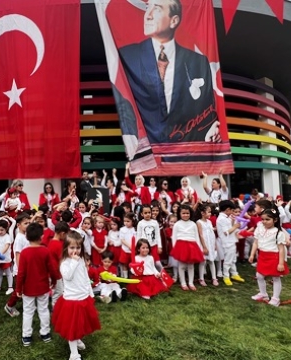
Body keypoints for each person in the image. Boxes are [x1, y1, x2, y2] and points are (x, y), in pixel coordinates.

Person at [117, 0, 220, 167]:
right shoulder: (127, 56)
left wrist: (212, 127)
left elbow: (208, 111)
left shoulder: (198, 62)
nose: (147, 15)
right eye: (147, 7)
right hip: (146, 153)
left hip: (186, 155)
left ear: (174, 20)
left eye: (156, 9)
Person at [52, 230, 102, 359]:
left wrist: (90, 293)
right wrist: (74, 261)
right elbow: (67, 276)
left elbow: (85, 277)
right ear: (66, 248)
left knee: (81, 323)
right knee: (72, 328)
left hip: (83, 297)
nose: (75, 250)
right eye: (72, 247)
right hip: (71, 300)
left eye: (78, 247)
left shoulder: (81, 260)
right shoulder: (65, 263)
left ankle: (78, 339)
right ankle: (74, 354)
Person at [16, 222, 60, 346]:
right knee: (43, 310)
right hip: (43, 287)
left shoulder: (24, 253)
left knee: (28, 311)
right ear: (41, 236)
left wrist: (18, 288)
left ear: (27, 237)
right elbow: (52, 268)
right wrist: (55, 280)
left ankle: (26, 336)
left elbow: (21, 273)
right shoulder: (45, 251)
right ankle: (45, 333)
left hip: (28, 288)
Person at [248, 209, 289, 307]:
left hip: (274, 257)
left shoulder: (278, 233)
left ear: (275, 220)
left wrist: (281, 263)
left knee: (275, 277)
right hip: (262, 255)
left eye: (267, 219)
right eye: (262, 219)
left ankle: (275, 298)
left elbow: (281, 249)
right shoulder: (259, 229)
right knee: (259, 275)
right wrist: (252, 254)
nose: (264, 221)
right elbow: (255, 242)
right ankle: (263, 294)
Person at [171, 205, 206, 290]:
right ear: (180, 214)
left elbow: (196, 236)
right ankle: (183, 283)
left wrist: (198, 248)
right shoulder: (177, 224)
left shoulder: (193, 224)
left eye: (187, 213)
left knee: (191, 265)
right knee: (182, 265)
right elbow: (174, 237)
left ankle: (190, 283)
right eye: (183, 213)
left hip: (192, 246)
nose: (185, 215)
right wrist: (175, 248)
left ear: (190, 214)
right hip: (181, 246)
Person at [4, 213, 32, 317]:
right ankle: (9, 305)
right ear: (18, 225)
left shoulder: (26, 236)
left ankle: (28, 303)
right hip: (20, 270)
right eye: (26, 223)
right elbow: (18, 256)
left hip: (27, 268)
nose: (28, 225)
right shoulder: (20, 238)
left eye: (29, 223)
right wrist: (21, 271)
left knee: (25, 289)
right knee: (19, 290)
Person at [217, 200, 244, 286]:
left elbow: (230, 228)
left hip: (231, 241)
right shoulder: (222, 219)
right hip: (227, 242)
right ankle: (226, 276)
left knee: (233, 259)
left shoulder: (227, 217)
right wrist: (235, 226)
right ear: (228, 209)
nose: (233, 212)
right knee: (228, 260)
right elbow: (226, 232)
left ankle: (234, 274)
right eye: (232, 210)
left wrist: (233, 223)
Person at [195, 204, 218, 286]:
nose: (210, 214)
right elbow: (201, 234)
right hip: (204, 244)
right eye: (208, 212)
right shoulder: (199, 222)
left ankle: (214, 278)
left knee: (211, 261)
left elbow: (212, 233)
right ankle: (201, 278)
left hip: (210, 243)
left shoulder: (209, 222)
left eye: (210, 212)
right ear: (202, 213)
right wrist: (204, 247)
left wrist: (214, 244)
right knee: (203, 261)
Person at [0, 219, 15, 295]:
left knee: (8, 273)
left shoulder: (7, 237)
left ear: (6, 229)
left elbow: (7, 246)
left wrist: (0, 254)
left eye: (2, 230)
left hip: (5, 259)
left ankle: (10, 287)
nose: (0, 232)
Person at [49, 221, 70, 307]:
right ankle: (55, 309)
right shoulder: (58, 245)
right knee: (59, 292)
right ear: (62, 233)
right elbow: (61, 261)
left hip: (51, 271)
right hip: (56, 273)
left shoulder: (51, 242)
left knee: (57, 291)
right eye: (66, 235)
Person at [136, 205, 162, 270]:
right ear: (142, 214)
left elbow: (158, 235)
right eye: (145, 213)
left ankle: (162, 275)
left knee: (157, 263)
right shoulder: (140, 223)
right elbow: (138, 235)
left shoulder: (155, 222)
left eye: (149, 212)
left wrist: (159, 246)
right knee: (147, 263)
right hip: (145, 247)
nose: (147, 214)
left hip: (154, 246)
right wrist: (137, 246)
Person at [118, 213, 136, 279]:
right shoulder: (122, 229)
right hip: (125, 249)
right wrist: (129, 245)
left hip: (133, 251)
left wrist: (134, 246)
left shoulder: (135, 229)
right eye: (125, 221)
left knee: (132, 264)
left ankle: (132, 276)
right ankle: (125, 277)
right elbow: (122, 239)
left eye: (128, 221)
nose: (126, 223)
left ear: (132, 221)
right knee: (124, 263)